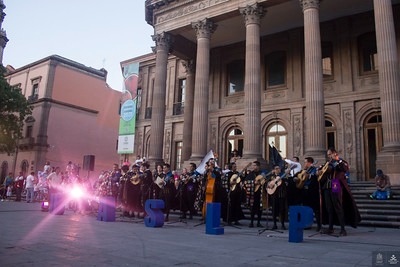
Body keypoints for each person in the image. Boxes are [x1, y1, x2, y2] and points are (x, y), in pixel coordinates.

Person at [318, 147, 361, 236]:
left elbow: (345, 169)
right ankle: (330, 228)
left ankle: (343, 229)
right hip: (327, 185)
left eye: (330, 154)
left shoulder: (341, 162)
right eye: (328, 155)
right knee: (329, 207)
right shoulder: (327, 163)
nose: (329, 156)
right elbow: (321, 171)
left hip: (335, 183)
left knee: (338, 206)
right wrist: (318, 171)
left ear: (335, 153)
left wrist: (338, 160)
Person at [294, 157, 321, 231]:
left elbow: (316, 177)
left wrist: (309, 176)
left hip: (312, 191)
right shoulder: (303, 170)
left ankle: (319, 225)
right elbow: (298, 177)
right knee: (305, 208)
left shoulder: (314, 169)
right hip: (304, 191)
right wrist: (296, 179)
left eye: (305, 162)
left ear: (310, 163)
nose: (304, 164)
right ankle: (306, 224)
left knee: (316, 209)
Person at [244, 161, 266, 228]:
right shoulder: (251, 174)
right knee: (252, 208)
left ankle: (258, 222)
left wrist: (263, 181)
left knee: (260, 209)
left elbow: (265, 182)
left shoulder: (262, 174)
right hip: (253, 193)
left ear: (258, 166)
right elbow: (245, 182)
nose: (253, 167)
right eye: (253, 166)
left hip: (260, 193)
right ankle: (251, 222)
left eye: (254, 165)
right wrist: (254, 182)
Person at [267, 165, 288, 230]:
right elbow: (266, 184)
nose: (277, 170)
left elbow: (287, 184)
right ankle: (274, 224)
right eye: (276, 168)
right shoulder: (271, 177)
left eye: (278, 168)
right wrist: (269, 185)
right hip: (274, 195)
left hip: (281, 195)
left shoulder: (284, 176)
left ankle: (282, 224)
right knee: (274, 210)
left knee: (282, 210)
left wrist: (284, 180)